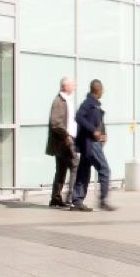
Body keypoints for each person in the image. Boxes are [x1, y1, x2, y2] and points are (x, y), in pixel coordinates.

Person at [71, 79, 115, 212]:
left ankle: (77, 201)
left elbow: (98, 121)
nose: (103, 92)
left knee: (83, 172)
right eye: (102, 90)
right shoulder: (88, 103)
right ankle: (102, 201)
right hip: (91, 144)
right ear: (98, 90)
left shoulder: (94, 104)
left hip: (89, 145)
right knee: (105, 170)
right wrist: (94, 131)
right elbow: (79, 117)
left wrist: (103, 133)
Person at [46, 76, 78, 208]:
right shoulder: (59, 101)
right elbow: (55, 122)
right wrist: (66, 136)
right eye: (73, 85)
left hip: (65, 141)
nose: (75, 86)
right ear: (66, 87)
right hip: (64, 142)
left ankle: (56, 198)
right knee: (75, 165)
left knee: (61, 169)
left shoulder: (65, 100)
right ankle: (71, 197)